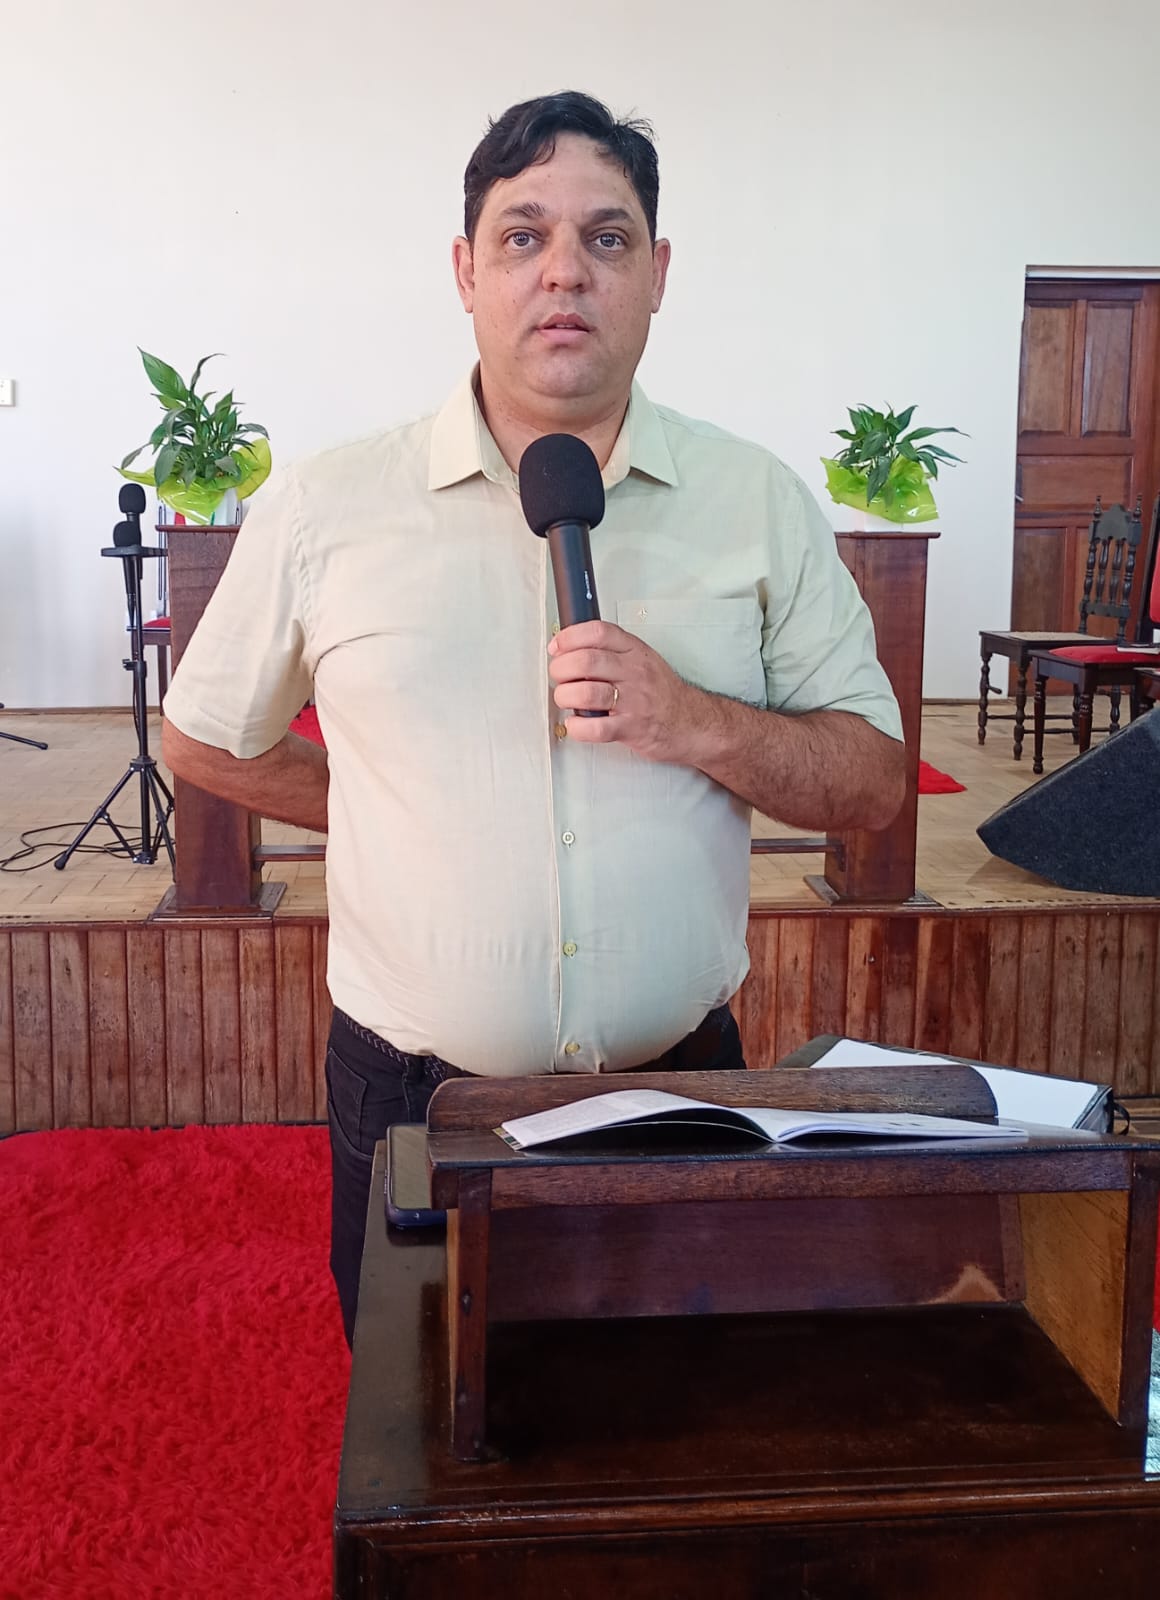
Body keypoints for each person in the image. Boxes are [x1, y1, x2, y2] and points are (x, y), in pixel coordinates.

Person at [161, 91, 906, 1345]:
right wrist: (381, 803)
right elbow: (199, 735)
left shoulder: (754, 500)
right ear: (465, 272)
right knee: (412, 1412)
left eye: (606, 238)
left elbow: (873, 780)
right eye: (522, 236)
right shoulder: (330, 505)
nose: (564, 270)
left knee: (675, 1409)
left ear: (657, 273)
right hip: (412, 1095)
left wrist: (691, 719)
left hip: (682, 1083)